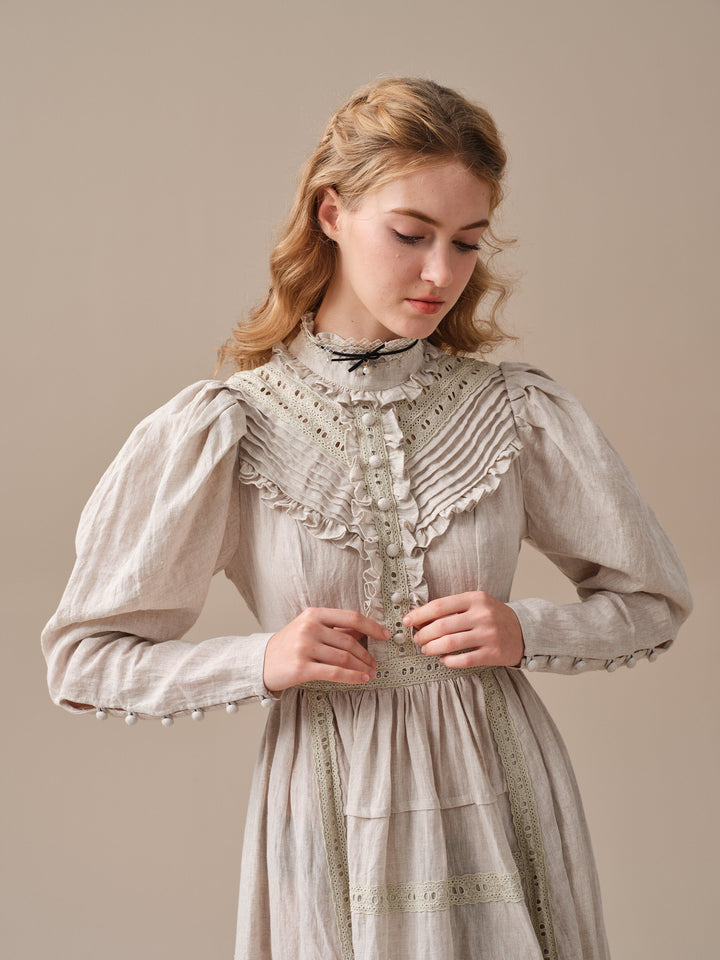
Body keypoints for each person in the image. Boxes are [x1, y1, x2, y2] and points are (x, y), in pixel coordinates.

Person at [42, 77, 692, 960]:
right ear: (332, 213)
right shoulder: (228, 427)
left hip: (506, 793)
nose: (441, 274)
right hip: (329, 802)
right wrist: (261, 660)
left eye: (466, 243)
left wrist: (527, 629)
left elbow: (652, 601)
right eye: (411, 234)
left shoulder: (517, 411)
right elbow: (86, 659)